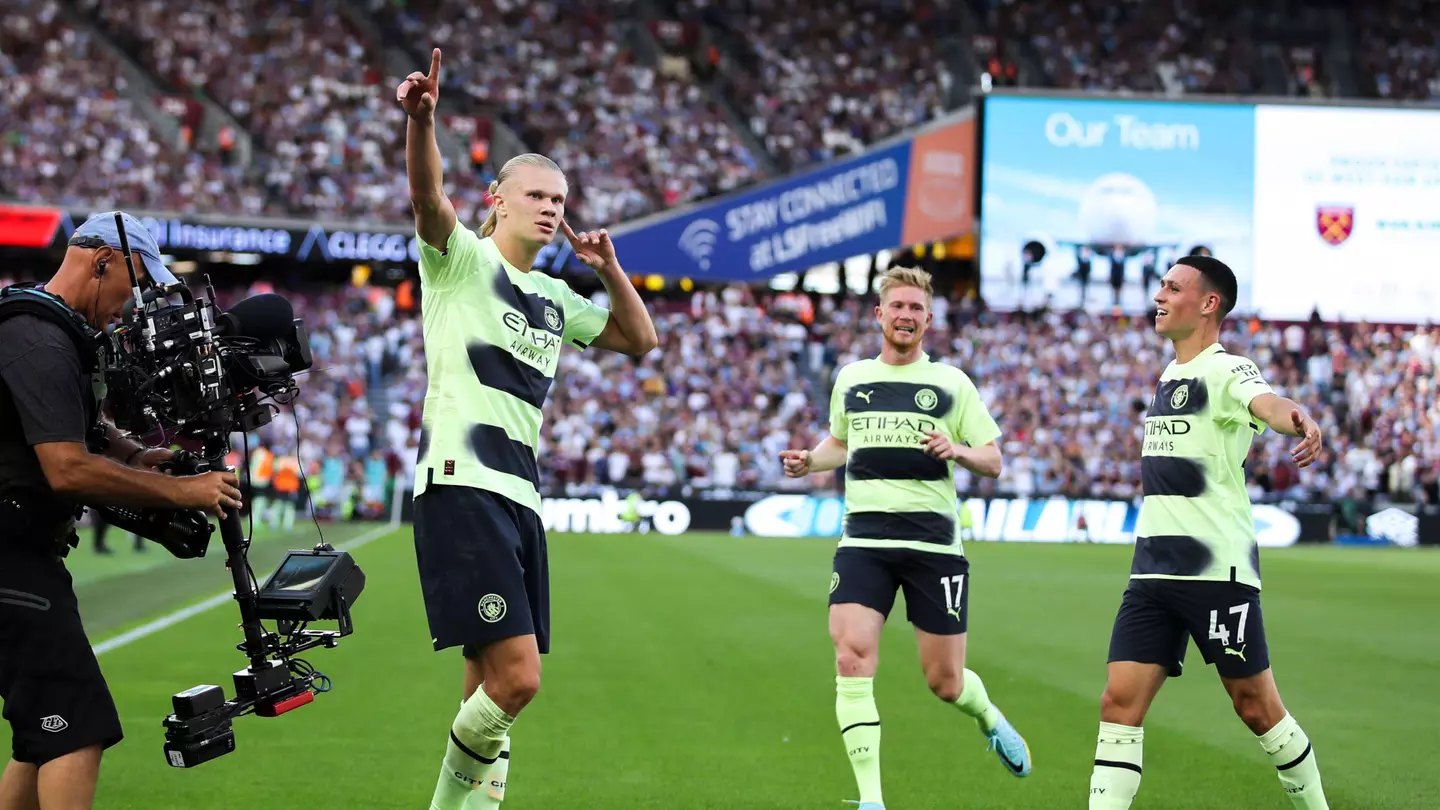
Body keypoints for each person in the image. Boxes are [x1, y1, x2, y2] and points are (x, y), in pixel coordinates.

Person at [397, 49, 659, 810]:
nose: (550, 207)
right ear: (497, 200)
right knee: (519, 681)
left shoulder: (554, 297)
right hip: (462, 487)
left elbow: (639, 340)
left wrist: (609, 268)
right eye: (536, 195)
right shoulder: (461, 262)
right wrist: (423, 125)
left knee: (486, 686)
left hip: (520, 500)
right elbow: (426, 199)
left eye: (560, 198)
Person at [0, 212, 244, 810]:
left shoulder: (51, 332)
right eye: (132, 286)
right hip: (8, 551)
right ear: (102, 260)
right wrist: (184, 492)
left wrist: (138, 454)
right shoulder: (33, 335)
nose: (132, 304)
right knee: (77, 726)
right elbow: (66, 466)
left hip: (24, 549)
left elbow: (83, 430)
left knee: (42, 733)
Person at [779, 266, 1032, 810]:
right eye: (898, 306)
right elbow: (841, 443)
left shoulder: (952, 384)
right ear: (880, 314)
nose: (906, 316)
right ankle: (872, 800)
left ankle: (989, 715)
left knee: (945, 681)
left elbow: (993, 460)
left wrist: (957, 450)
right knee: (851, 657)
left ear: (928, 320)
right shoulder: (852, 378)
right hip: (863, 541)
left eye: (916, 309)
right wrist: (810, 460)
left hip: (934, 547)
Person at [1088, 255, 1329, 809]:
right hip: (1151, 573)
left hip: (1214, 571)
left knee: (1256, 708)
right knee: (1118, 705)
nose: (1160, 295)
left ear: (1208, 303)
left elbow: (1267, 403)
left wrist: (1299, 419)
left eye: (1172, 287)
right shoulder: (1169, 376)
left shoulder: (1226, 368)